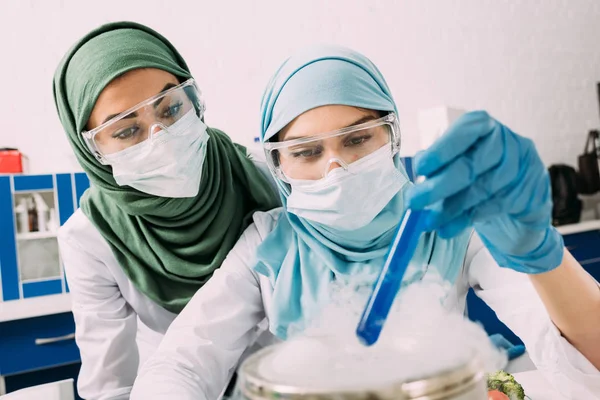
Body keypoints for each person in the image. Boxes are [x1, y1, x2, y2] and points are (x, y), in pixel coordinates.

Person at [130, 45, 600, 400]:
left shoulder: (448, 223)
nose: (336, 167)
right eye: (307, 152)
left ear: (391, 138)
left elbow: (588, 359)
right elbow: (182, 363)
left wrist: (542, 254)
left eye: (357, 140)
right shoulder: (267, 244)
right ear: (278, 165)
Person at [52, 21, 279, 400]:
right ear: (91, 151)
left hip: (275, 376)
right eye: (126, 131)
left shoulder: (260, 176)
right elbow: (111, 385)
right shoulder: (90, 239)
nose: (161, 136)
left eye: (172, 107)